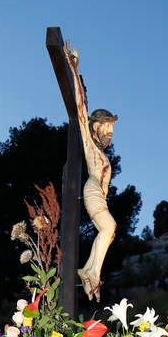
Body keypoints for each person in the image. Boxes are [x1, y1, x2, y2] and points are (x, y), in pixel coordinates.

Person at [63, 40, 118, 302]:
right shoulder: (88, 140)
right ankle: (91, 270)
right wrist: (74, 68)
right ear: (96, 125)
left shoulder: (101, 151)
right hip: (92, 188)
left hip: (98, 193)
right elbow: (81, 106)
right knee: (109, 227)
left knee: (108, 230)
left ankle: (90, 270)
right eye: (106, 127)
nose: (109, 134)